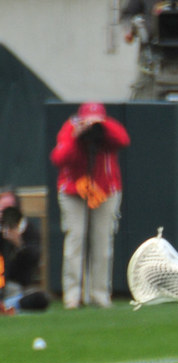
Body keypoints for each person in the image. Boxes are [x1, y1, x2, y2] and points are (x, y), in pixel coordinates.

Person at [49, 102, 130, 310]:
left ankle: (100, 295)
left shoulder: (109, 128)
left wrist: (102, 127)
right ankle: (73, 297)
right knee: (76, 239)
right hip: (73, 191)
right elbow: (59, 157)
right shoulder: (69, 129)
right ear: (79, 118)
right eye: (88, 120)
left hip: (105, 191)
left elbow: (123, 139)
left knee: (102, 243)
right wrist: (77, 136)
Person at [1, 188, 48, 314]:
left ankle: (9, 305)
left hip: (16, 288)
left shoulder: (29, 231)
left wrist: (18, 243)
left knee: (39, 299)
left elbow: (33, 258)